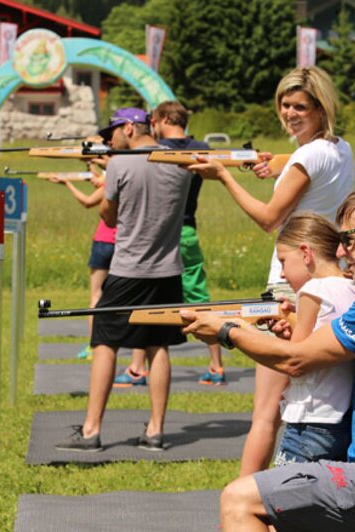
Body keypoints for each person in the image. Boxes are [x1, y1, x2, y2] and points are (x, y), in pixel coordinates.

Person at [182, 184, 355, 531]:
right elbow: (325, 345)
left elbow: (295, 361)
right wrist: (295, 323)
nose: (342, 250)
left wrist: (226, 331)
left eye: (350, 238)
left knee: (239, 499)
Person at [188, 66, 355, 474]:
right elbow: (304, 164)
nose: (290, 112)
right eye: (285, 104)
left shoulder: (306, 156)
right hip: (327, 276)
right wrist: (272, 163)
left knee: (266, 414)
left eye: (301, 106)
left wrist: (223, 175)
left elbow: (268, 217)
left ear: (320, 108)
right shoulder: (340, 148)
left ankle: (243, 501)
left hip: (289, 282)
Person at [55, 107, 191, 453]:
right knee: (157, 346)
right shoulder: (181, 164)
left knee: (104, 342)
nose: (109, 139)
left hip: (128, 268)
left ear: (129, 127)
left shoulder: (119, 164)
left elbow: (110, 217)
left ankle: (91, 431)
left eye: (113, 131)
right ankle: (156, 431)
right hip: (168, 270)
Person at [113, 100, 227, 387]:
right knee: (195, 298)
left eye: (154, 121)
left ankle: (138, 367)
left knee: (145, 299)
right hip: (186, 228)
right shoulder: (199, 148)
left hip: (162, 231)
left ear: (162, 119)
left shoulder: (162, 151)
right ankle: (215, 365)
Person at [268, 212, 355, 468]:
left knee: (284, 498)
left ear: (305, 253)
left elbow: (297, 361)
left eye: (283, 261)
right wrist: (294, 322)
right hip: (342, 419)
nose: (281, 274)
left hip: (309, 421)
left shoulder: (312, 290)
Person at [45, 161, 113, 360]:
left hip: (104, 242)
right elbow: (99, 178)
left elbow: (87, 201)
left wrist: (67, 183)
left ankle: (94, 345)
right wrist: (91, 166)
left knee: (96, 296)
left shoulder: (110, 186)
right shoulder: (126, 182)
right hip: (124, 245)